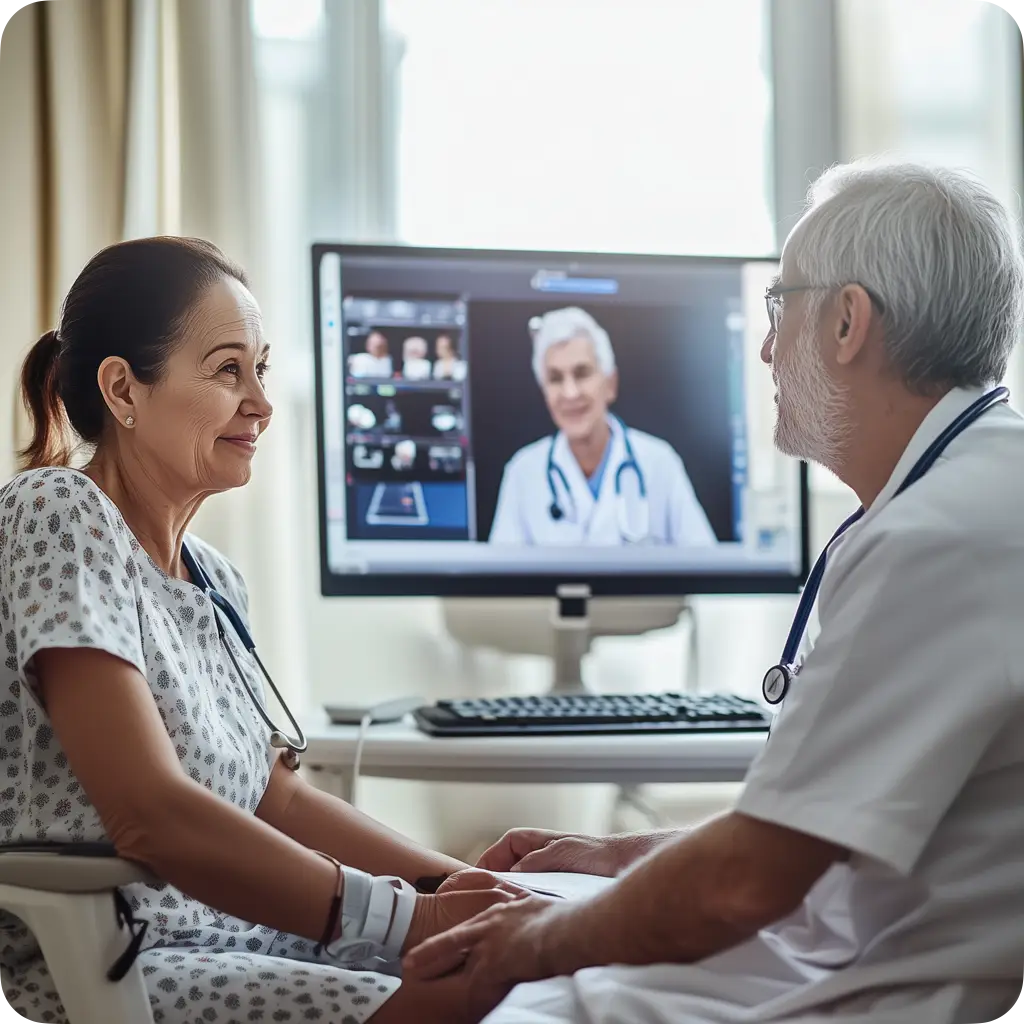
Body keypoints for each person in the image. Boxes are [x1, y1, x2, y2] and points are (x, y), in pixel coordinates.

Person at [404, 161, 1024, 1023]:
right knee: (520, 913)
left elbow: (745, 882)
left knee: (474, 985)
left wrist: (534, 943)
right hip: (836, 946)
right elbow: (810, 832)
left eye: (781, 308)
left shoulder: (934, 541)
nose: (767, 347)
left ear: (848, 322)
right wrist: (615, 857)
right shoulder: (974, 489)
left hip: (874, 995)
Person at [0, 236, 522, 1024]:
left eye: (261, 369)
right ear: (122, 389)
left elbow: (274, 799)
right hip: (106, 965)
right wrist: (404, 917)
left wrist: (461, 887)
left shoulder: (214, 577)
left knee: (521, 959)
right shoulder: (57, 514)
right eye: (226, 370)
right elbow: (148, 810)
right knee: (467, 994)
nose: (263, 404)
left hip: (236, 934)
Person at [488, 306, 716, 546]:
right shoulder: (523, 472)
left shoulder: (660, 463)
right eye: (555, 379)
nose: (570, 392)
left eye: (582, 373)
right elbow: (500, 581)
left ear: (610, 384)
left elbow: (706, 568)